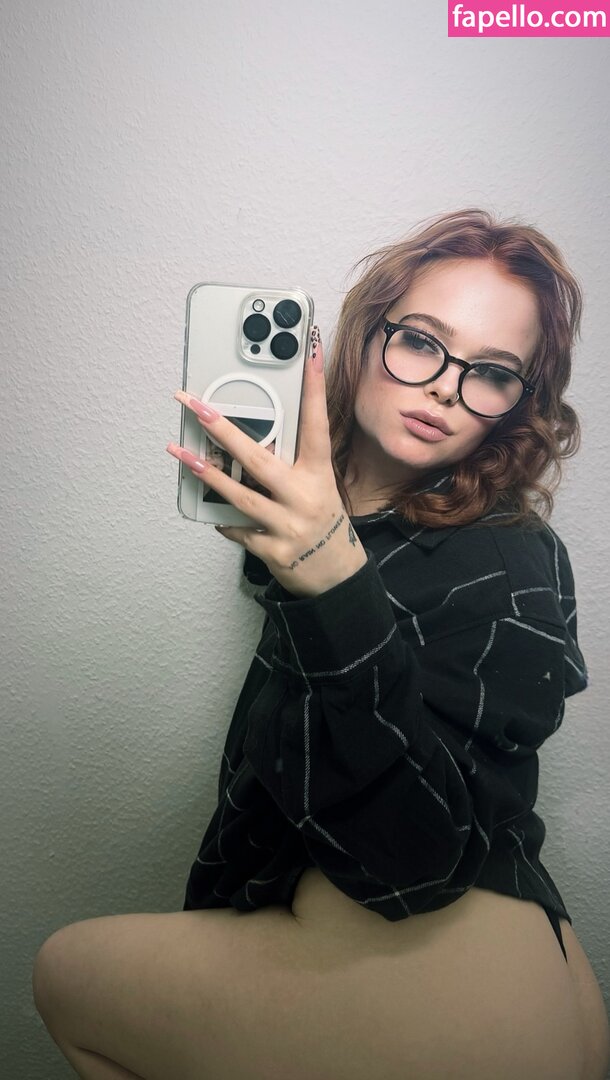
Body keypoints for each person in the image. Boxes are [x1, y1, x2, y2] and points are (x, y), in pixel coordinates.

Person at [32, 208, 610, 1080]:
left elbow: (418, 864)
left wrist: (333, 579)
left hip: (460, 989)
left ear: (518, 403)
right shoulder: (340, 522)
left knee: (64, 972)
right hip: (427, 983)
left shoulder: (509, 558)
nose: (445, 387)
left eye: (492, 372)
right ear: (365, 334)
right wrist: (313, 554)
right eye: (421, 342)